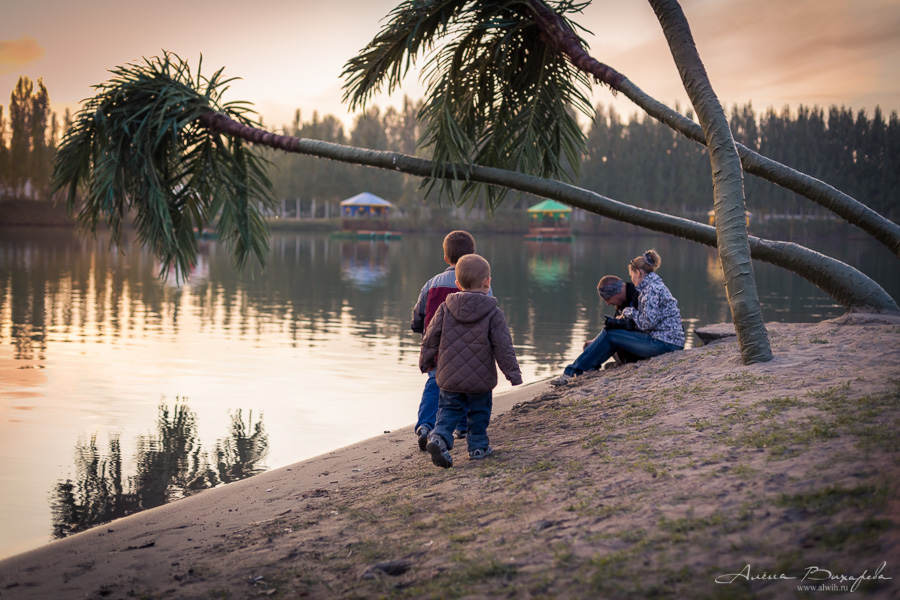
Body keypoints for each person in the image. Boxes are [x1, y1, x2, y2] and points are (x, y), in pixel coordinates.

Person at [419, 254, 522, 468]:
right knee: (479, 412)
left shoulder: (445, 308)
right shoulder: (493, 311)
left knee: (448, 410)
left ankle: (439, 438)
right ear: (488, 282)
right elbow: (504, 347)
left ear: (457, 284)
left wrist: (426, 361)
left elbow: (431, 337)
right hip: (480, 378)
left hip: (449, 376)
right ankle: (477, 448)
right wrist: (513, 374)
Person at [551, 249, 685, 386]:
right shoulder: (652, 286)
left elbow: (648, 324)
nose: (631, 280)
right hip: (667, 341)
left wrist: (629, 312)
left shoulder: (651, 290)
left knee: (610, 335)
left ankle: (571, 373)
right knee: (610, 334)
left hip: (665, 344)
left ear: (638, 273)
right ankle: (585, 368)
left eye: (631, 275)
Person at [410, 231, 484, 451]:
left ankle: (425, 426)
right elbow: (489, 310)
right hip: (469, 347)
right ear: (473, 255)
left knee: (435, 383)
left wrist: (418, 328)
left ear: (445, 258)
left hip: (437, 346)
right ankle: (462, 427)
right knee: (465, 385)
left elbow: (419, 313)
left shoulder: (432, 283)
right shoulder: (480, 284)